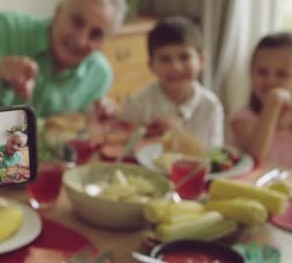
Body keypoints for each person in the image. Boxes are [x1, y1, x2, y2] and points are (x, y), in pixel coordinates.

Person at [0, 0, 127, 117]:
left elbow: (79, 134)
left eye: (96, 35)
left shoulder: (100, 74)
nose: (81, 41)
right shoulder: (7, 27)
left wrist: (99, 118)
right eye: (77, 22)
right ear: (58, 12)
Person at [121, 16, 224, 148]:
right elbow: (125, 151)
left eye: (184, 57)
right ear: (151, 66)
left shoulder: (211, 106)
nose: (176, 67)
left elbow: (213, 156)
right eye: (165, 59)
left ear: (201, 61)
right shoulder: (136, 103)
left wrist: (179, 135)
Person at [229, 32, 292, 168]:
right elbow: (254, 159)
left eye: (282, 74)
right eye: (262, 72)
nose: (271, 80)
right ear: (251, 74)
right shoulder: (241, 120)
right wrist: (273, 104)